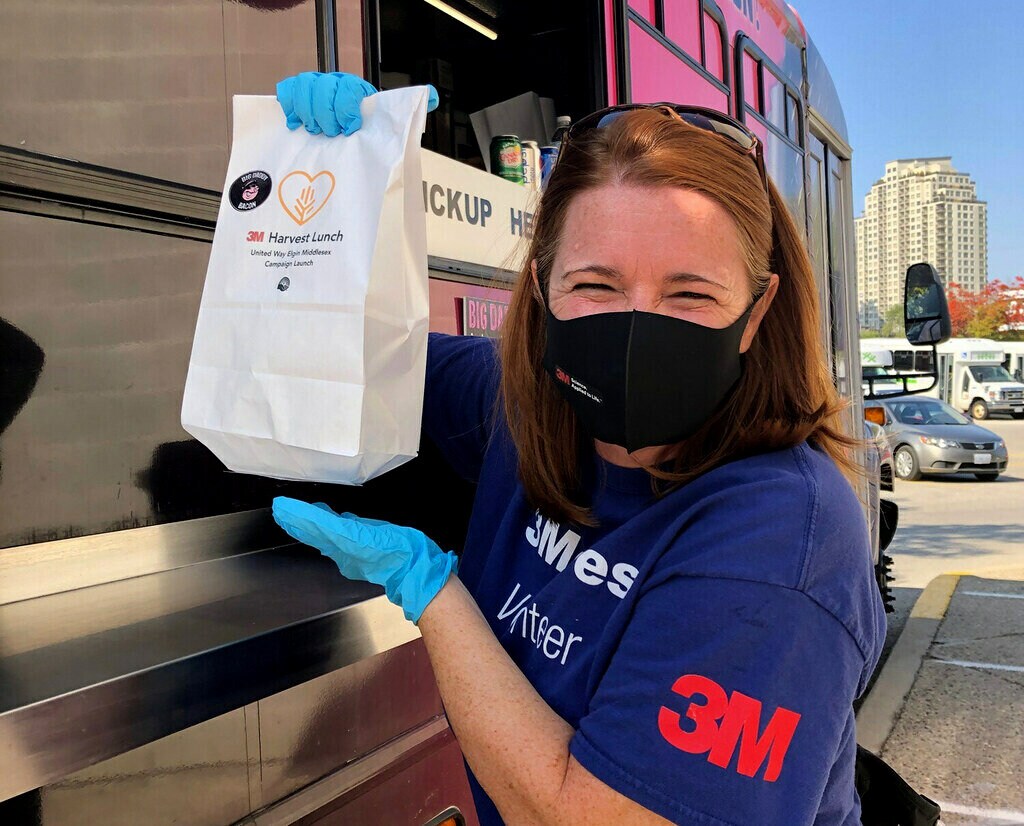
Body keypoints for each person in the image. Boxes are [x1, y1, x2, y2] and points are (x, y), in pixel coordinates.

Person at [270, 72, 886, 825]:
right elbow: (332, 352)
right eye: (596, 284)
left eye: (690, 294)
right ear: (543, 288)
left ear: (756, 314)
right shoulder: (522, 406)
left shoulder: (785, 535)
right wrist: (325, 178)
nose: (637, 330)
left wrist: (431, 592)